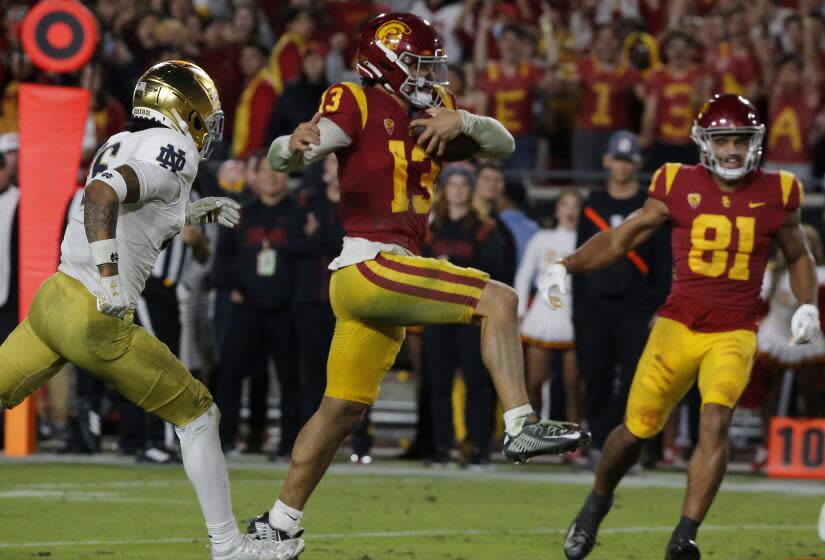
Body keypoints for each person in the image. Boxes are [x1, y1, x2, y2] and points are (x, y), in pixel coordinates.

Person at [248, 12, 590, 550]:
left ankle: (279, 523)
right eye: (417, 63)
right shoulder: (355, 100)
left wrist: (468, 123)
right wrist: (293, 146)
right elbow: (291, 155)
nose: (428, 75)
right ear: (385, 62)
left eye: (431, 65)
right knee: (497, 299)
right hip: (372, 264)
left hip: (376, 277)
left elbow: (502, 145)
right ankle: (521, 423)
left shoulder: (437, 110)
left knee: (340, 409)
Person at [0, 60, 304, 560]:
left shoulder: (119, 139)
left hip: (51, 299)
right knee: (200, 416)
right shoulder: (178, 148)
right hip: (93, 316)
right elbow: (103, 195)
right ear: (184, 110)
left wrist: (187, 212)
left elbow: (133, 199)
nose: (208, 125)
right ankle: (229, 545)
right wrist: (111, 276)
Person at [545, 94, 819, 560]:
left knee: (715, 420)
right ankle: (597, 501)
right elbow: (621, 237)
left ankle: (684, 536)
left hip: (735, 330)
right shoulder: (676, 182)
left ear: (756, 142)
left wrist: (808, 304)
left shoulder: (780, 191)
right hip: (678, 324)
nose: (732, 149)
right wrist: (565, 265)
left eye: (740, 139)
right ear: (704, 143)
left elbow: (798, 254)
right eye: (723, 139)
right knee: (635, 432)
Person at [572, 130, 672, 459]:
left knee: (637, 379)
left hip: (637, 306)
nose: (623, 166)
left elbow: (662, 260)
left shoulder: (651, 206)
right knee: (596, 375)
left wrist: (660, 305)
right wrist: (579, 308)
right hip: (597, 306)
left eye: (629, 160)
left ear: (638, 164)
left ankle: (634, 447)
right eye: (617, 159)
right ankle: (600, 443)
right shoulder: (592, 205)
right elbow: (582, 256)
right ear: (606, 161)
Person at [212, 157, 302, 460]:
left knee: (289, 377)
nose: (273, 178)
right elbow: (222, 258)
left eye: (279, 172)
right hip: (246, 308)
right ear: (255, 176)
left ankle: (288, 444)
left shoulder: (299, 215)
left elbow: (307, 260)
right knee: (230, 374)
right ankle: (225, 441)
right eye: (266, 171)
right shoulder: (240, 214)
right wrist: (232, 289)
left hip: (285, 311)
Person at [422, 166, 508, 467]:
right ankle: (441, 447)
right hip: (439, 314)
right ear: (444, 190)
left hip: (472, 316)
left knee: (477, 382)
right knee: (439, 383)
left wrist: (452, 266)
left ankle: (479, 447)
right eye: (452, 185)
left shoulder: (484, 228)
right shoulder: (431, 228)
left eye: (462, 185)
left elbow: (495, 271)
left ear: (470, 191)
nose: (457, 190)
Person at [514, 189, 581, 423]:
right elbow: (524, 275)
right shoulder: (542, 238)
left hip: (573, 311)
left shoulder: (587, 240)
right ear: (557, 209)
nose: (570, 211)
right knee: (534, 381)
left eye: (575, 205)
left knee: (574, 384)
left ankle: (574, 435)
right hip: (542, 311)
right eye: (565, 204)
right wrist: (520, 311)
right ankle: (533, 432)